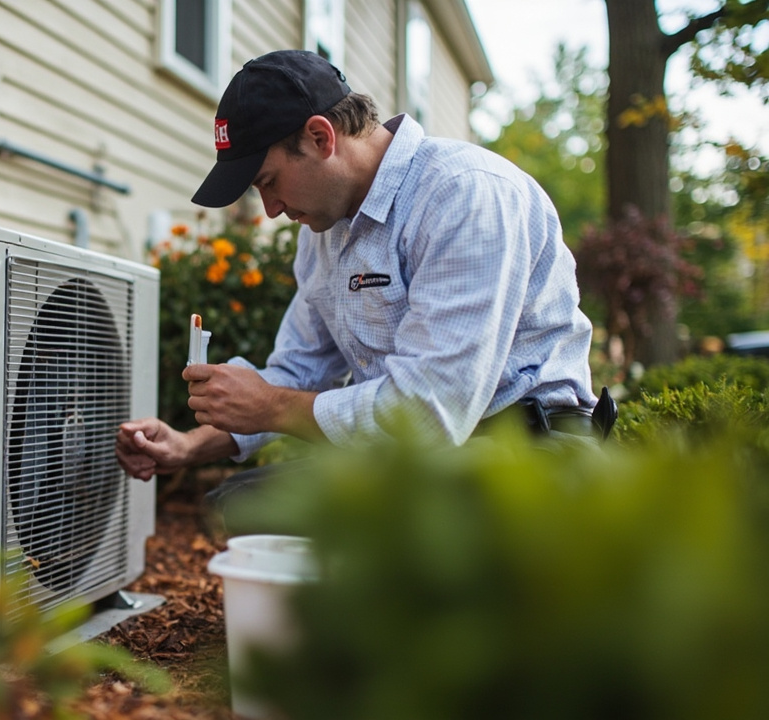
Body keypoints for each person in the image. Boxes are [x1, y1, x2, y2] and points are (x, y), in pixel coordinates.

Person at [116, 50, 608, 503]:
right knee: (242, 503)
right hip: (428, 461)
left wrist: (270, 406)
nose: (270, 210)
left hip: (530, 454)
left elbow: (430, 412)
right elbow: (296, 371)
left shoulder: (465, 195)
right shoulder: (324, 232)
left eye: (267, 182)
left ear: (320, 137)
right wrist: (187, 445)